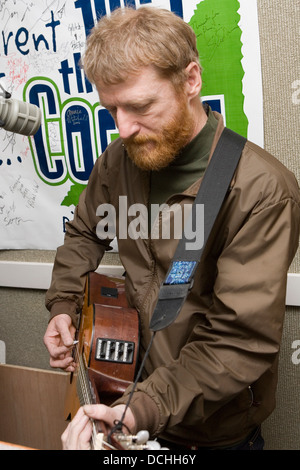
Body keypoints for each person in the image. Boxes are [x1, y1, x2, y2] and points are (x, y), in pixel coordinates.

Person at [43, 6, 300, 450]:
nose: (123, 128)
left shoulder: (262, 190)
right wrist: (64, 305)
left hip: (210, 432)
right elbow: (85, 231)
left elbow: (237, 342)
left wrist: (141, 408)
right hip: (124, 396)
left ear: (191, 81)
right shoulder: (117, 162)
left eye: (140, 106)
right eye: (111, 109)